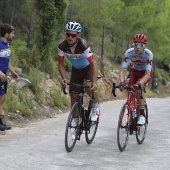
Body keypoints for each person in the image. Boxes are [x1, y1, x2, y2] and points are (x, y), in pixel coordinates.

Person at [57, 21, 100, 123]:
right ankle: (75, 121)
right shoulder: (62, 45)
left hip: (88, 69)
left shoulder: (83, 45)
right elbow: (60, 63)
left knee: (89, 88)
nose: (70, 37)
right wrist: (63, 78)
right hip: (76, 70)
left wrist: (94, 82)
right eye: (68, 34)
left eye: (73, 35)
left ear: (77, 35)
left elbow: (93, 64)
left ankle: (95, 106)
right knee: (73, 96)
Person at [119, 34, 153, 126]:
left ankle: (142, 114)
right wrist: (122, 81)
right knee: (130, 89)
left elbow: (147, 74)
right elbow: (123, 70)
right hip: (135, 71)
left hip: (145, 73)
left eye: (141, 45)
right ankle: (131, 111)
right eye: (136, 44)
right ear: (133, 45)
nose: (138, 47)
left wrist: (140, 83)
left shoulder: (148, 54)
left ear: (144, 46)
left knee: (139, 89)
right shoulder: (129, 53)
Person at [0, 22, 20, 131]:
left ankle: (0, 122)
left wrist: (12, 72)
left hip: (4, 74)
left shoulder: (7, 44)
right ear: (6, 34)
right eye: (12, 33)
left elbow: (7, 61)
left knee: (2, 98)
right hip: (0, 74)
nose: (13, 35)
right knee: (1, 98)